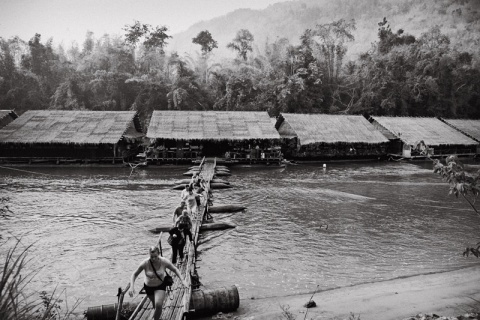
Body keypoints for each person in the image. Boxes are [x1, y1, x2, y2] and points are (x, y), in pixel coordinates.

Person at [128, 246, 188, 320]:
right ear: (149, 255)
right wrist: (132, 286)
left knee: (158, 304)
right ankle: (157, 316)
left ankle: (155, 319)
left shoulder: (164, 261)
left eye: (155, 256)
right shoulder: (145, 263)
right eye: (151, 257)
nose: (153, 259)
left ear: (158, 254)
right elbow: (134, 274)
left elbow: (175, 269)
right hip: (148, 287)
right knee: (154, 304)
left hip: (160, 285)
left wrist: (182, 280)